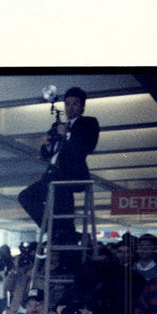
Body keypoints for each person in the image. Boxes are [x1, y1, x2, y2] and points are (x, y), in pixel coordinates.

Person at [18, 87, 100, 246]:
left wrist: (66, 136)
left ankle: (62, 233)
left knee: (62, 205)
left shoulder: (89, 123)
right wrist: (47, 144)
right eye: (67, 104)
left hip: (72, 175)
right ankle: (54, 229)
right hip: (53, 175)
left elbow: (86, 147)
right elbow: (45, 154)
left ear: (82, 107)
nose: (70, 108)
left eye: (75, 104)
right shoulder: (57, 125)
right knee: (25, 196)